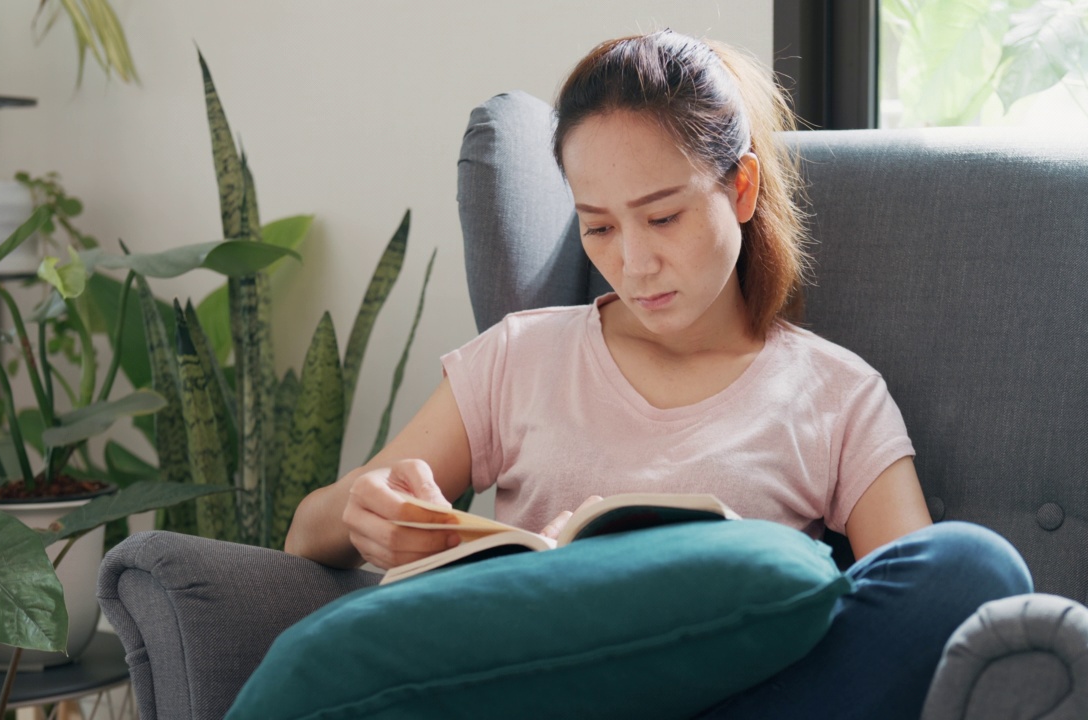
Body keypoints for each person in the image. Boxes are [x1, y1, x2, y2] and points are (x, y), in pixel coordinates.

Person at [285, 29, 1033, 719]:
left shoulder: (837, 395)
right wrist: (370, 508)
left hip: (740, 699)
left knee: (972, 568)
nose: (633, 263)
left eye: (663, 217)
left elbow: (931, 598)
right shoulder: (521, 356)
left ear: (740, 190)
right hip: (539, 694)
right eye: (600, 227)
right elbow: (305, 534)